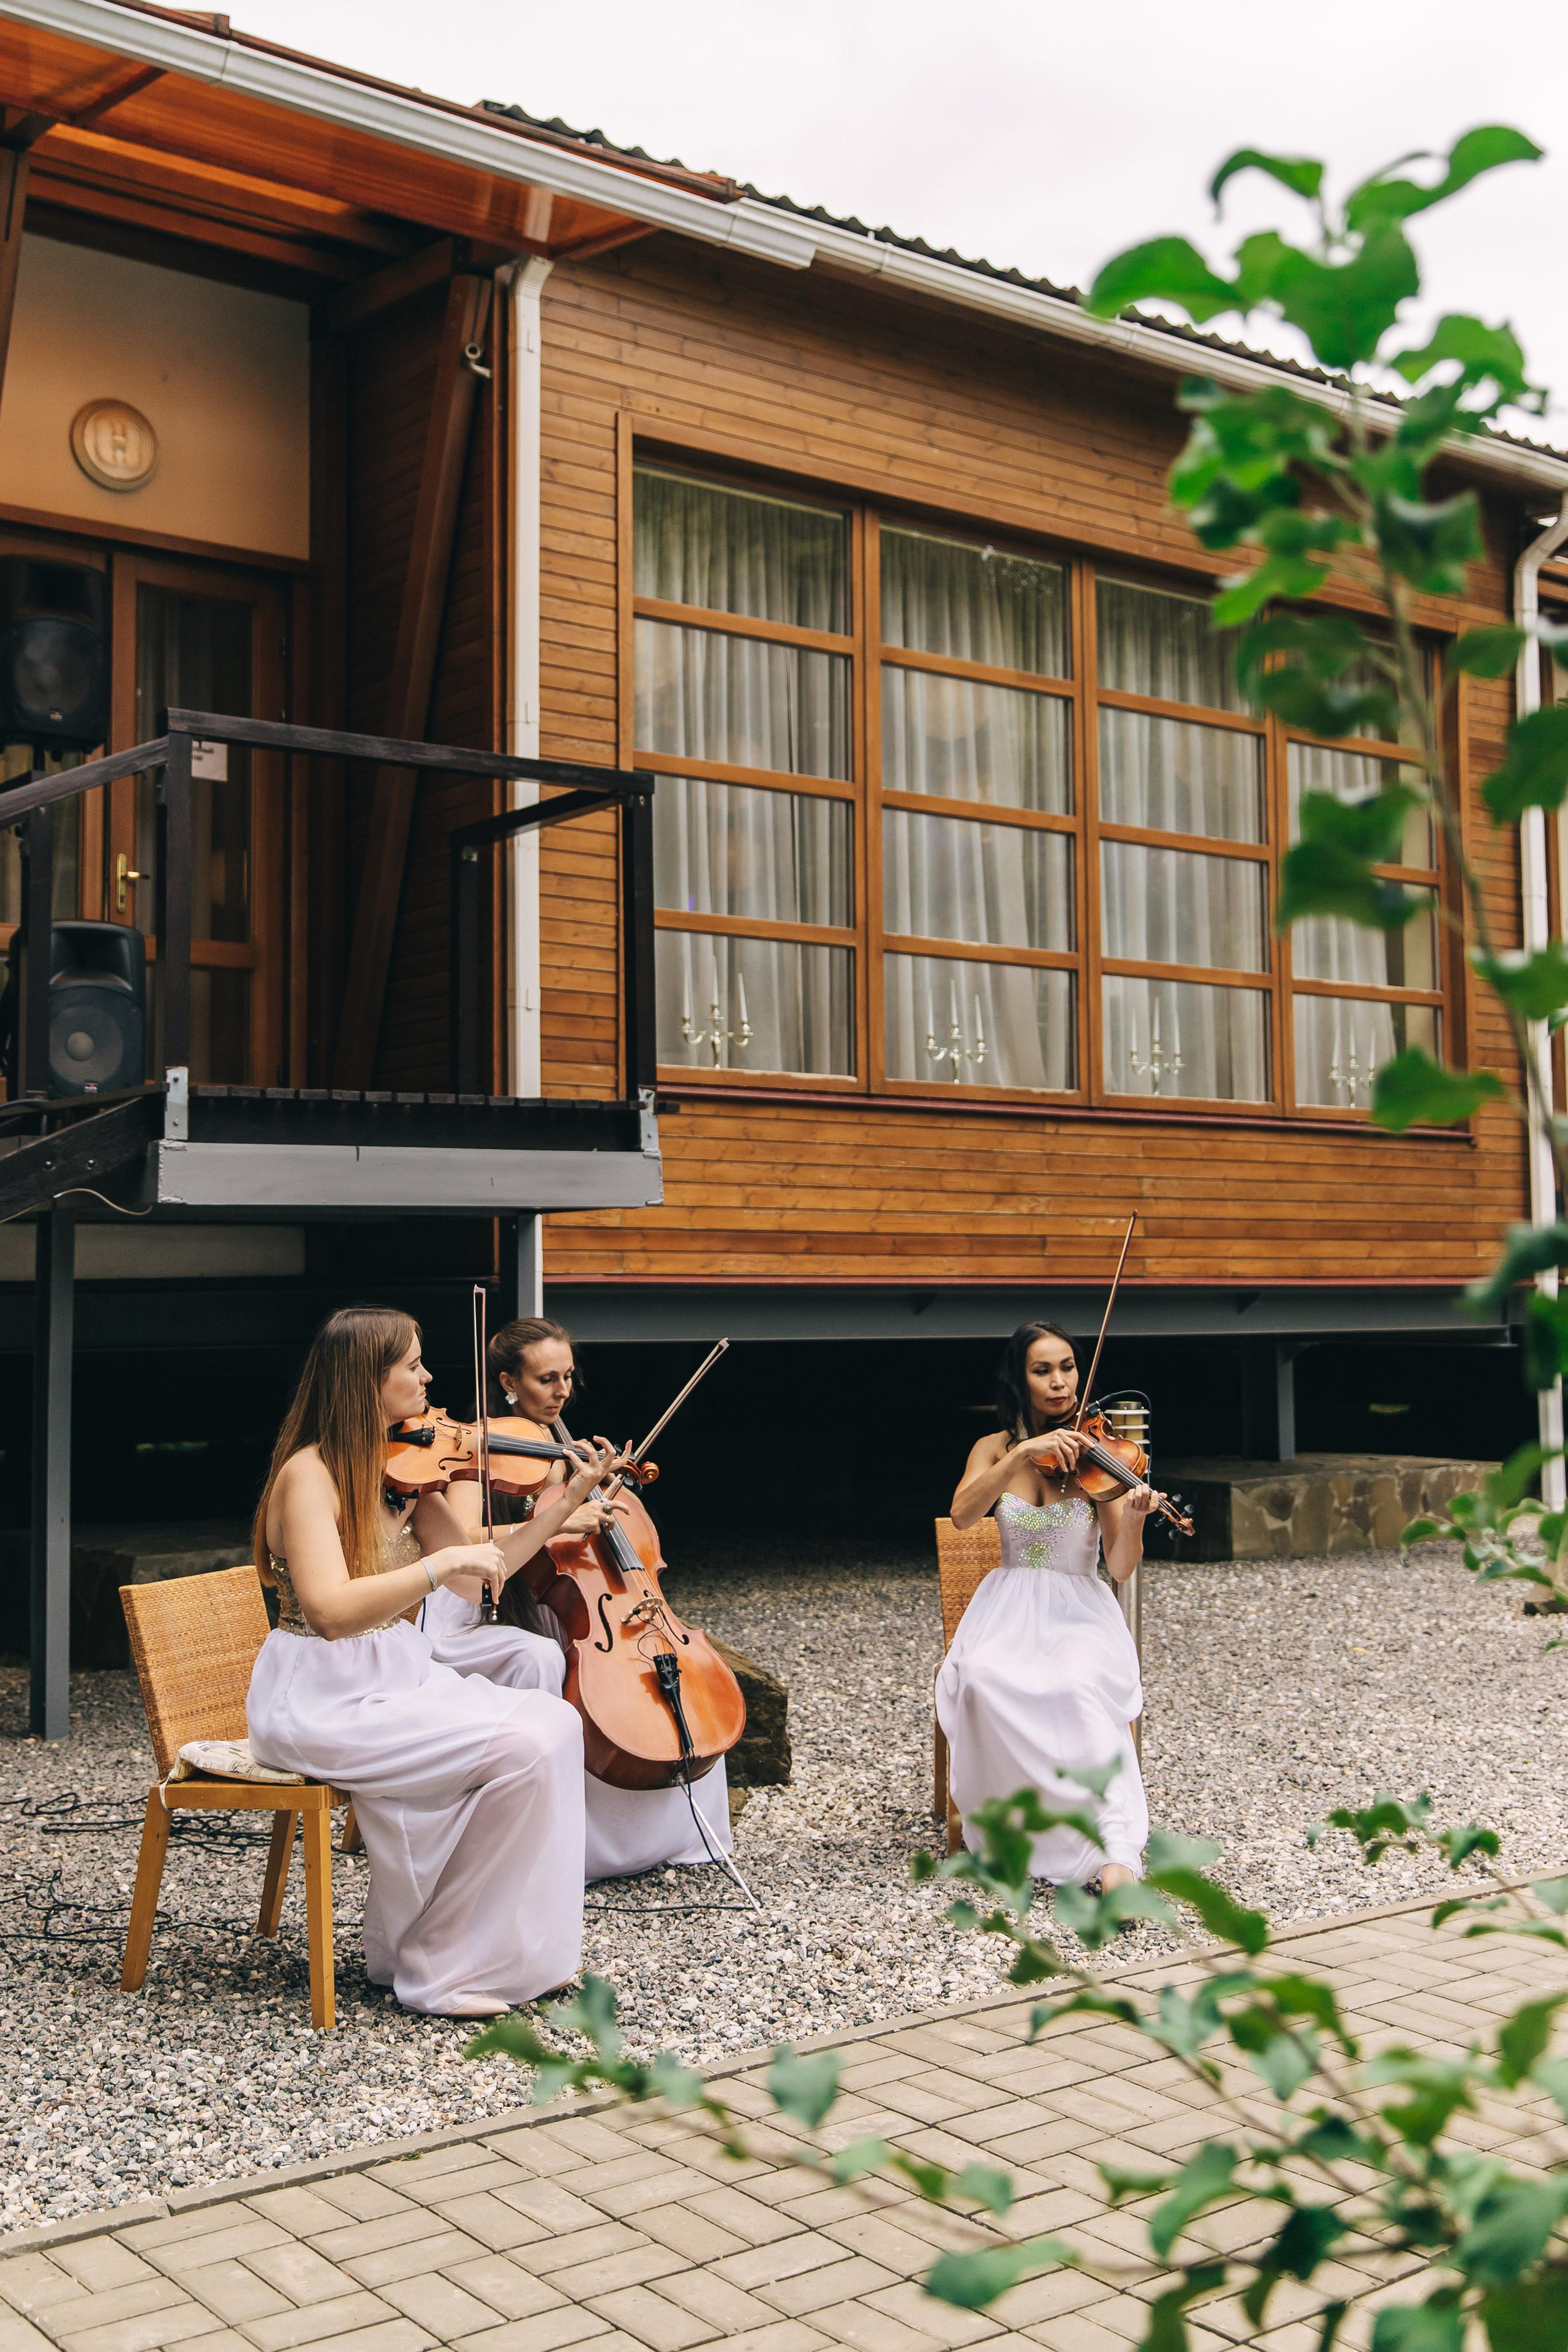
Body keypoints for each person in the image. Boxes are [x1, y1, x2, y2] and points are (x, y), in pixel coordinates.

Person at [246, 1305, 619, 2017]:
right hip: (320, 1696)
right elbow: (327, 1613)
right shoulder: (310, 1477)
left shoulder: (399, 1470)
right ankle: (438, 1964)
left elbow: (482, 1572)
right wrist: (438, 1560)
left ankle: (501, 1953)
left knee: (555, 1727)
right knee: (519, 1746)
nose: (428, 1379)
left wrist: (563, 1502)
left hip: (394, 1675)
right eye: (412, 1366)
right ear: (366, 1380)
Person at [434, 1314, 734, 1885]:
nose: (562, 1391)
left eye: (568, 1377)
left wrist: (596, 1487)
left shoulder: (562, 1446)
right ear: (507, 1383)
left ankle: (682, 1834)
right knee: (559, 1667)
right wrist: (559, 1519)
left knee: (677, 1673)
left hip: (557, 1604)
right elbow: (461, 1545)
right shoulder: (478, 1445)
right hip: (484, 1606)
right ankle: (574, 1842)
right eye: (546, 1379)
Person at [937, 1319, 1158, 1890]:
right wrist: (1020, 1455)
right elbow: (963, 1515)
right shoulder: (992, 1449)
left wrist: (1133, 1520)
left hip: (1078, 1613)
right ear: (1020, 1379)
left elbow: (1119, 1566)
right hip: (1008, 1608)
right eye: (1043, 1371)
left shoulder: (1097, 1458)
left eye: (1067, 1368)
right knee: (983, 1681)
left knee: (1071, 1686)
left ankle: (1113, 1849)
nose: (1060, 1383)